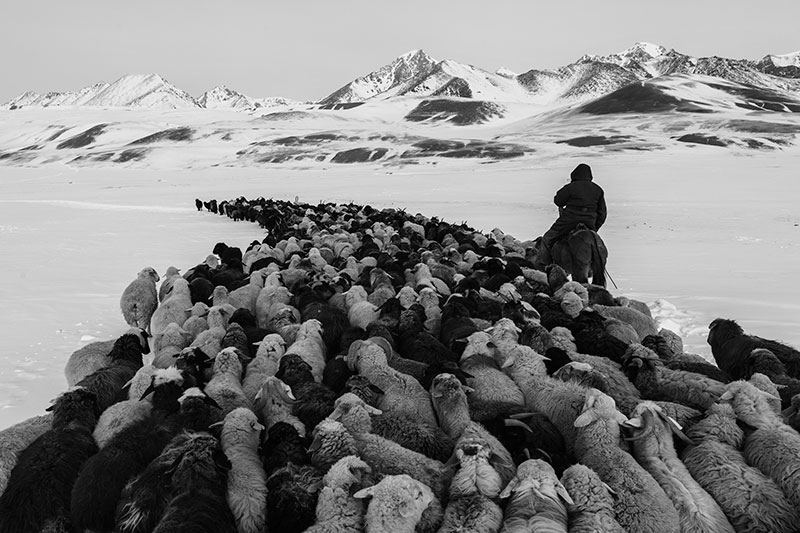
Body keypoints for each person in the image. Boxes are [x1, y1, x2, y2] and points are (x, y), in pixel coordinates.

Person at [539, 163, 607, 263]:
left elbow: (558, 201)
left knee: (547, 239)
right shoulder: (598, 190)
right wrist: (594, 228)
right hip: (590, 223)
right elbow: (602, 213)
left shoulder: (570, 187)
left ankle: (545, 266)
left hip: (568, 221)